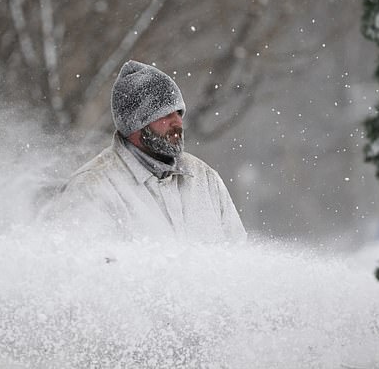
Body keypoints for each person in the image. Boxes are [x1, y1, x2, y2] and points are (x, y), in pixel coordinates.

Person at [50, 60, 247, 243]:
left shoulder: (205, 179)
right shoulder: (92, 188)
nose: (178, 122)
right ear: (135, 123)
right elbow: (83, 271)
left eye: (179, 112)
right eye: (166, 114)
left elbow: (237, 257)